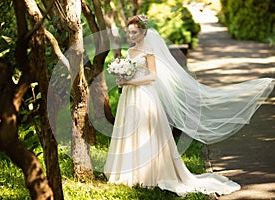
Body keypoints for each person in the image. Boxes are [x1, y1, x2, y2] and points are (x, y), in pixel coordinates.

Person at [104, 15, 274, 196]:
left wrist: (131, 82)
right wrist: (122, 79)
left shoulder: (149, 51)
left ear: (142, 32)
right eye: (129, 32)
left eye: (134, 32)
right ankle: (128, 171)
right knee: (130, 130)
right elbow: (130, 74)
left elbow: (153, 76)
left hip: (145, 95)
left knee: (146, 131)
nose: (131, 35)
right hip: (129, 97)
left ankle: (150, 173)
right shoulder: (129, 53)